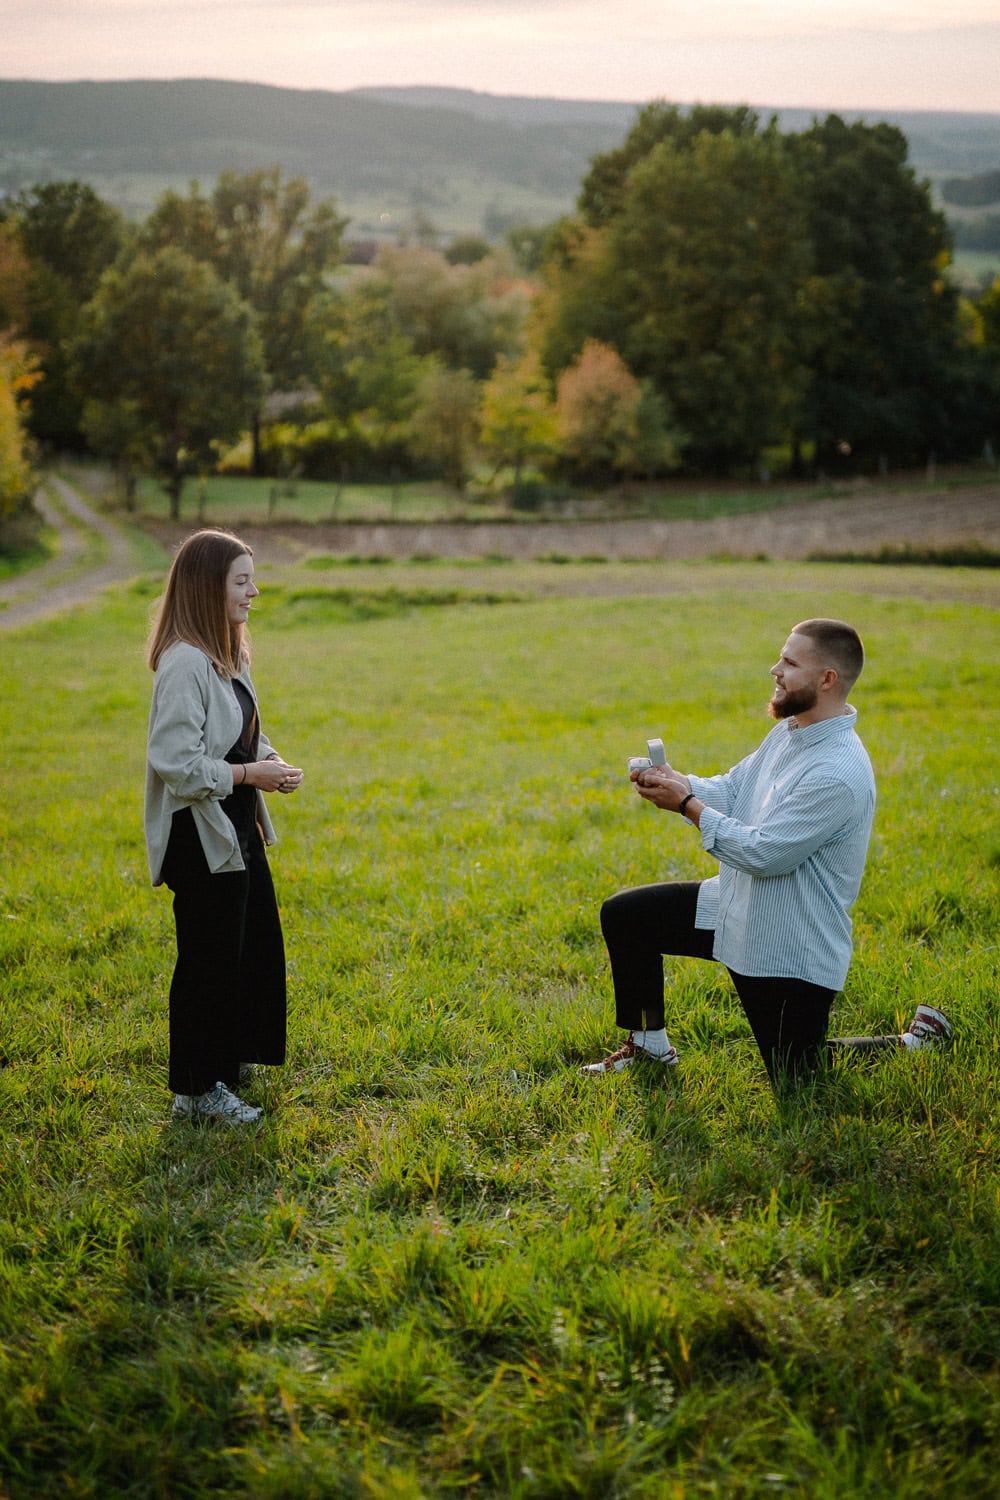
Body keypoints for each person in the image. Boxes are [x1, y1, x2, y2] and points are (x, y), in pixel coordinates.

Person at [581, 618, 951, 1088]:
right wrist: (681, 784)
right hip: (736, 907)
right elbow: (737, 788)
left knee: (798, 1075)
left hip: (786, 944)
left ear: (827, 679)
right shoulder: (791, 731)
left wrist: (688, 807)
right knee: (628, 916)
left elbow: (765, 853)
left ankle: (912, 1042)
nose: (774, 669)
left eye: (790, 662)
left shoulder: (837, 773)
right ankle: (650, 1046)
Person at [145, 529, 303, 1123]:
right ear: (209, 589)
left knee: (248, 947)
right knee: (208, 960)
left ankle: (225, 1068)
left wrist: (272, 764)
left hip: (236, 826)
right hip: (200, 834)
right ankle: (196, 1088)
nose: (253, 592)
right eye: (241, 582)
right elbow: (178, 766)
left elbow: (244, 734)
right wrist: (249, 776)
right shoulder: (184, 663)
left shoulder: (227, 656)